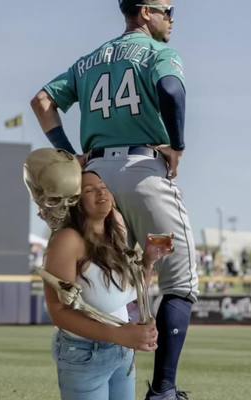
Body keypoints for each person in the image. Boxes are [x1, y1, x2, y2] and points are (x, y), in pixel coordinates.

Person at [31, 1, 198, 398]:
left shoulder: (89, 60)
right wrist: (177, 144)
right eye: (167, 10)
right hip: (143, 169)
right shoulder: (160, 52)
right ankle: (163, 391)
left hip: (95, 175)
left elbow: (42, 102)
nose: (172, 19)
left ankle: (96, 360)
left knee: (96, 275)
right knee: (181, 283)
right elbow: (170, 88)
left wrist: (69, 152)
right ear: (144, 12)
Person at [45, 170, 173, 400]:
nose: (100, 191)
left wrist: (149, 261)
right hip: (85, 354)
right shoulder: (67, 240)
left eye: (103, 185)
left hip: (121, 352)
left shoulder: (116, 230)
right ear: (75, 201)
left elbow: (127, 293)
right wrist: (119, 335)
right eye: (89, 190)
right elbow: (59, 312)